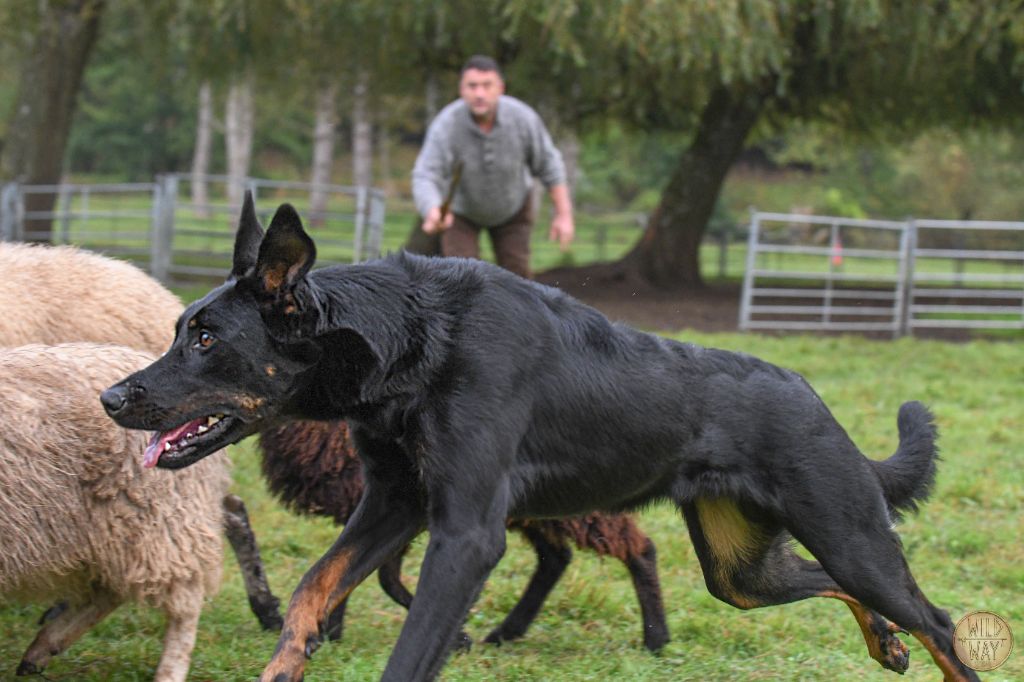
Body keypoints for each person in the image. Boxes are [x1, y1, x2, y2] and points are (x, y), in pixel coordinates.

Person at [412, 55, 575, 279]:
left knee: (517, 281)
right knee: (459, 278)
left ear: (500, 88)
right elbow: (426, 174)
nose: (479, 94)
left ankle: (518, 315)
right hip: (462, 213)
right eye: (472, 86)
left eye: (487, 85)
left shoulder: (523, 119)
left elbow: (550, 165)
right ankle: (467, 315)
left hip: (513, 208)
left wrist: (563, 214)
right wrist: (431, 208)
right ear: (462, 89)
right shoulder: (447, 124)